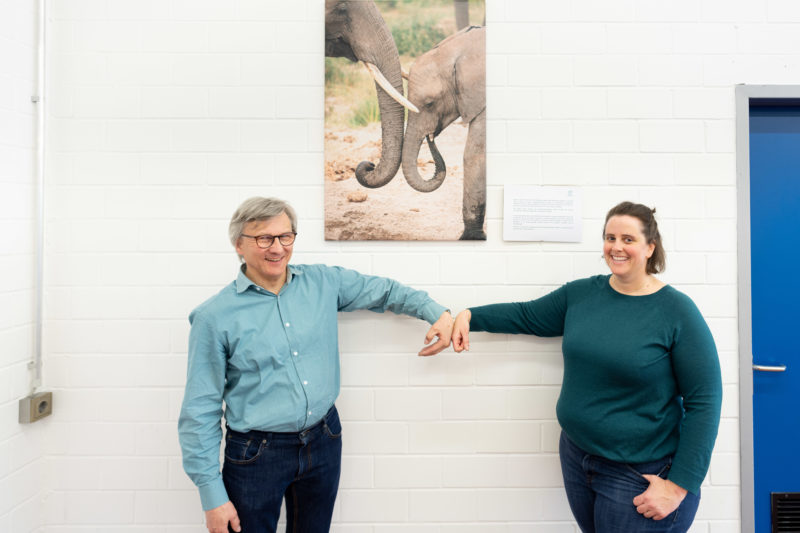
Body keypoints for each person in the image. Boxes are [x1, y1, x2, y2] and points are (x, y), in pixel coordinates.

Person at [178, 197, 454, 533]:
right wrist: (212, 497)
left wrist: (436, 312)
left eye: (286, 236)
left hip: (323, 440)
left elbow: (385, 291)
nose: (277, 248)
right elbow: (199, 410)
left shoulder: (323, 282)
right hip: (256, 455)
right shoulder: (213, 317)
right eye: (264, 238)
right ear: (239, 244)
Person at [451, 201, 722, 533]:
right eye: (610, 237)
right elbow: (526, 315)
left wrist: (679, 486)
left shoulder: (677, 311)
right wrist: (469, 316)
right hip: (578, 457)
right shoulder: (581, 295)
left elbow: (705, 401)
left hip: (639, 474)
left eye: (628, 239)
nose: (616, 247)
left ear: (650, 247)